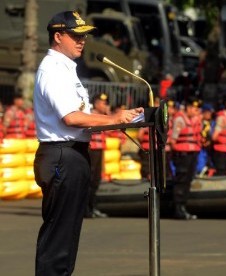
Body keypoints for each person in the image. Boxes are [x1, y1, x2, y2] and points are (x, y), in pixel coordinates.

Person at [33, 11, 143, 275]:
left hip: (73, 153)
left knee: (67, 237)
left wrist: (119, 119)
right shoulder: (53, 70)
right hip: (62, 155)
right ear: (58, 37)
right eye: (75, 36)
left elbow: (80, 117)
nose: (82, 41)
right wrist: (111, 117)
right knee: (58, 239)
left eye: (84, 36)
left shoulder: (66, 70)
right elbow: (71, 117)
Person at [170, 97, 202, 219]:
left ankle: (183, 206)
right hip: (183, 155)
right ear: (188, 108)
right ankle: (178, 208)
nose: (196, 111)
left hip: (192, 154)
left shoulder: (194, 120)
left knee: (187, 181)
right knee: (181, 181)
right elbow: (173, 140)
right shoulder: (180, 119)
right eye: (194, 108)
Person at [85, 93, 110, 219]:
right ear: (96, 104)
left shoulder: (103, 116)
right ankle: (86, 209)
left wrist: (108, 115)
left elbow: (111, 130)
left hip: (100, 149)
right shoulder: (90, 115)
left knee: (96, 180)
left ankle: (92, 207)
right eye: (102, 103)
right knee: (89, 179)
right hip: (92, 150)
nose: (105, 105)